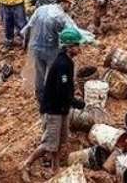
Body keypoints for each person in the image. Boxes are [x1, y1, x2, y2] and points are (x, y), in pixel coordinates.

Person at [21, 28, 87, 180]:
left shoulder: (67, 62)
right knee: (49, 144)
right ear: (69, 47)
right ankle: (27, 163)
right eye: (77, 45)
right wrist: (76, 102)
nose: (79, 48)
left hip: (62, 108)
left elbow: (66, 88)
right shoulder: (63, 64)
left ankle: (55, 168)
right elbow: (62, 90)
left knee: (59, 142)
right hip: (53, 110)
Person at [22, 0, 83, 102]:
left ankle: (40, 97)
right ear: (65, 2)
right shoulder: (61, 17)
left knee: (39, 74)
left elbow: (29, 27)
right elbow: (73, 33)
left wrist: (25, 44)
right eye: (70, 4)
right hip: (51, 50)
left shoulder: (41, 9)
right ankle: (52, 98)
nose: (70, 7)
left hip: (36, 48)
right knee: (53, 74)